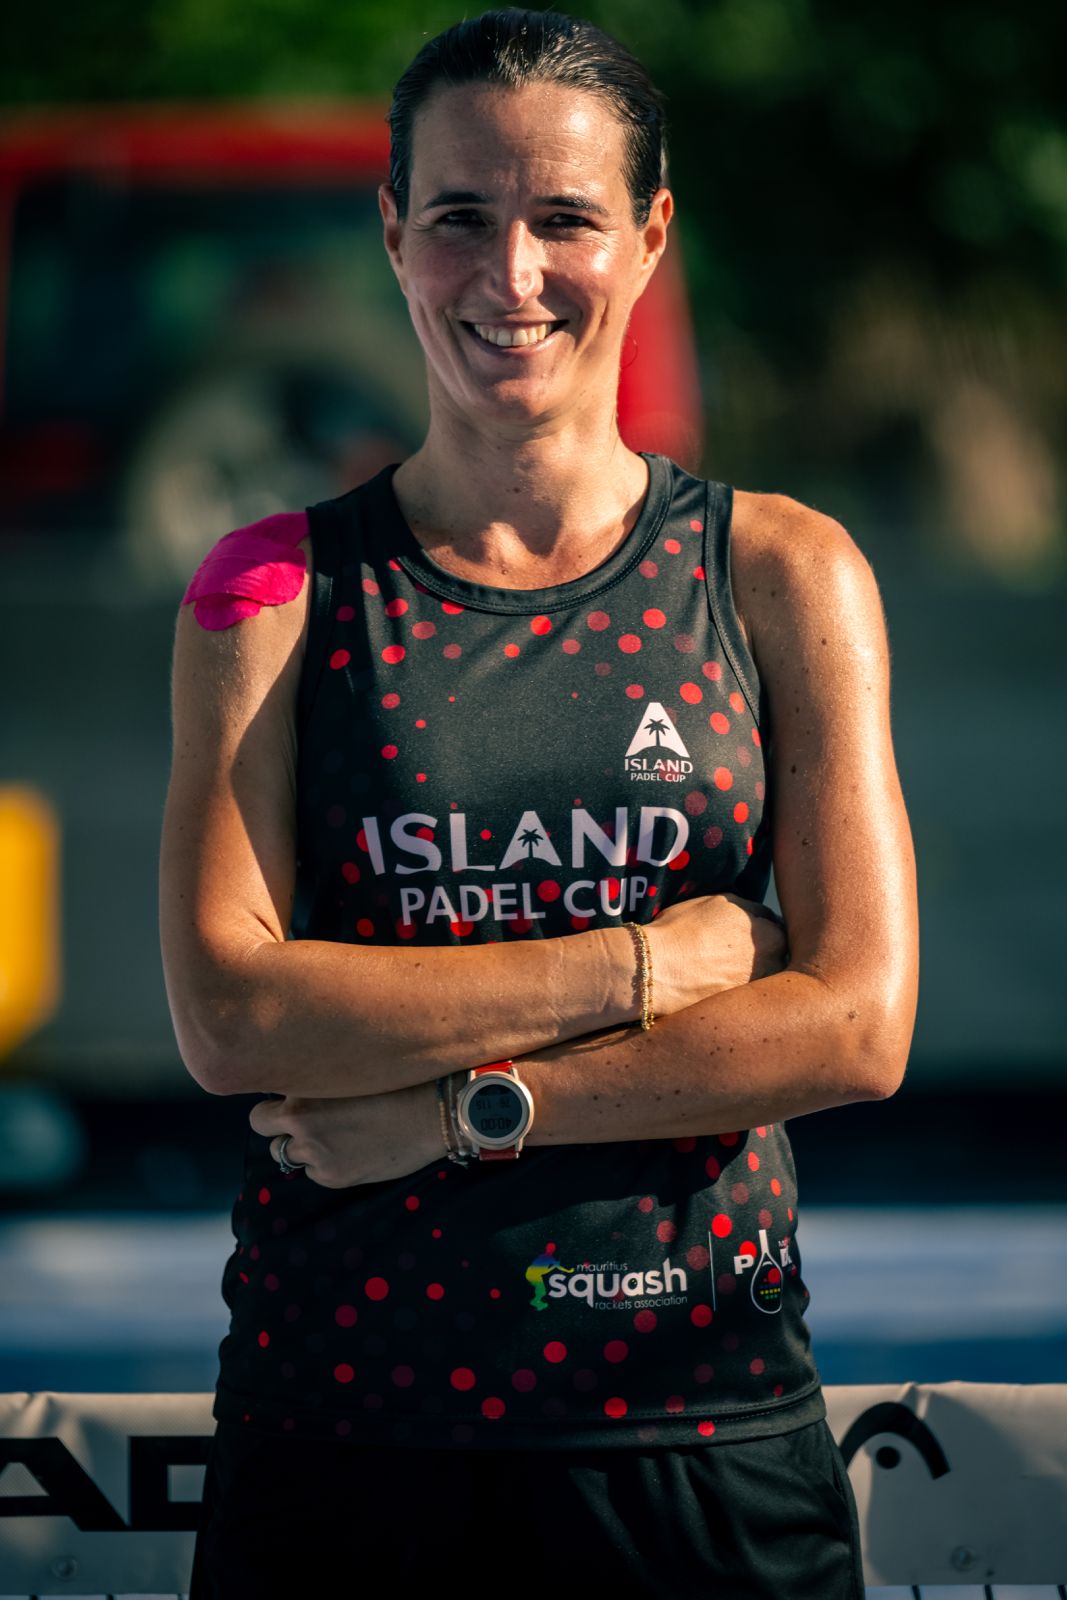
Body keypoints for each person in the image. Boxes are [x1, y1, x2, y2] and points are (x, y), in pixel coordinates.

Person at [161, 10, 918, 1597]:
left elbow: (854, 1024)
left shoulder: (783, 571)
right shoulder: (272, 590)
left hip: (701, 1428)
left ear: (650, 238)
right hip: (343, 1433)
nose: (511, 274)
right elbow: (233, 1018)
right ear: (392, 234)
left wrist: (462, 1113)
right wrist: (649, 964)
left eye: (565, 217)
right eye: (460, 216)